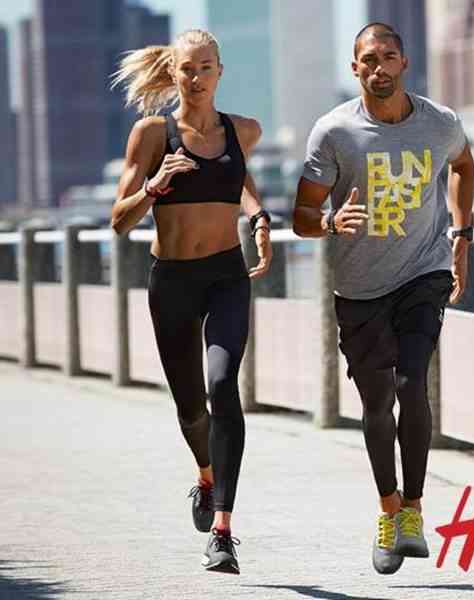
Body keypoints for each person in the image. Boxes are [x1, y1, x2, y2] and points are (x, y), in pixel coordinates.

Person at [293, 22, 474, 575]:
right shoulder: (334, 132)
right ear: (355, 69)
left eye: (388, 57)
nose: (379, 68)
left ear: (404, 63)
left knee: (411, 382)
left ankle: (414, 511)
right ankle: (388, 511)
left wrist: (462, 233)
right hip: (360, 287)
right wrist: (329, 222)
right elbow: (301, 216)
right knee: (377, 403)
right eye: (368, 60)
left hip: (424, 272)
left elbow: (463, 165)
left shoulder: (440, 123)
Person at [111, 29, 272, 575]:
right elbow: (118, 221)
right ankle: (206, 475)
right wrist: (154, 186)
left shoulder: (243, 130)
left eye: (206, 67)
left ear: (220, 71)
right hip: (173, 281)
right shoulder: (151, 134)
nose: (197, 77)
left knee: (223, 386)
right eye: (187, 68)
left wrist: (258, 214)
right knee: (191, 409)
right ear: (172, 73)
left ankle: (223, 531)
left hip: (226, 275)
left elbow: (238, 177)